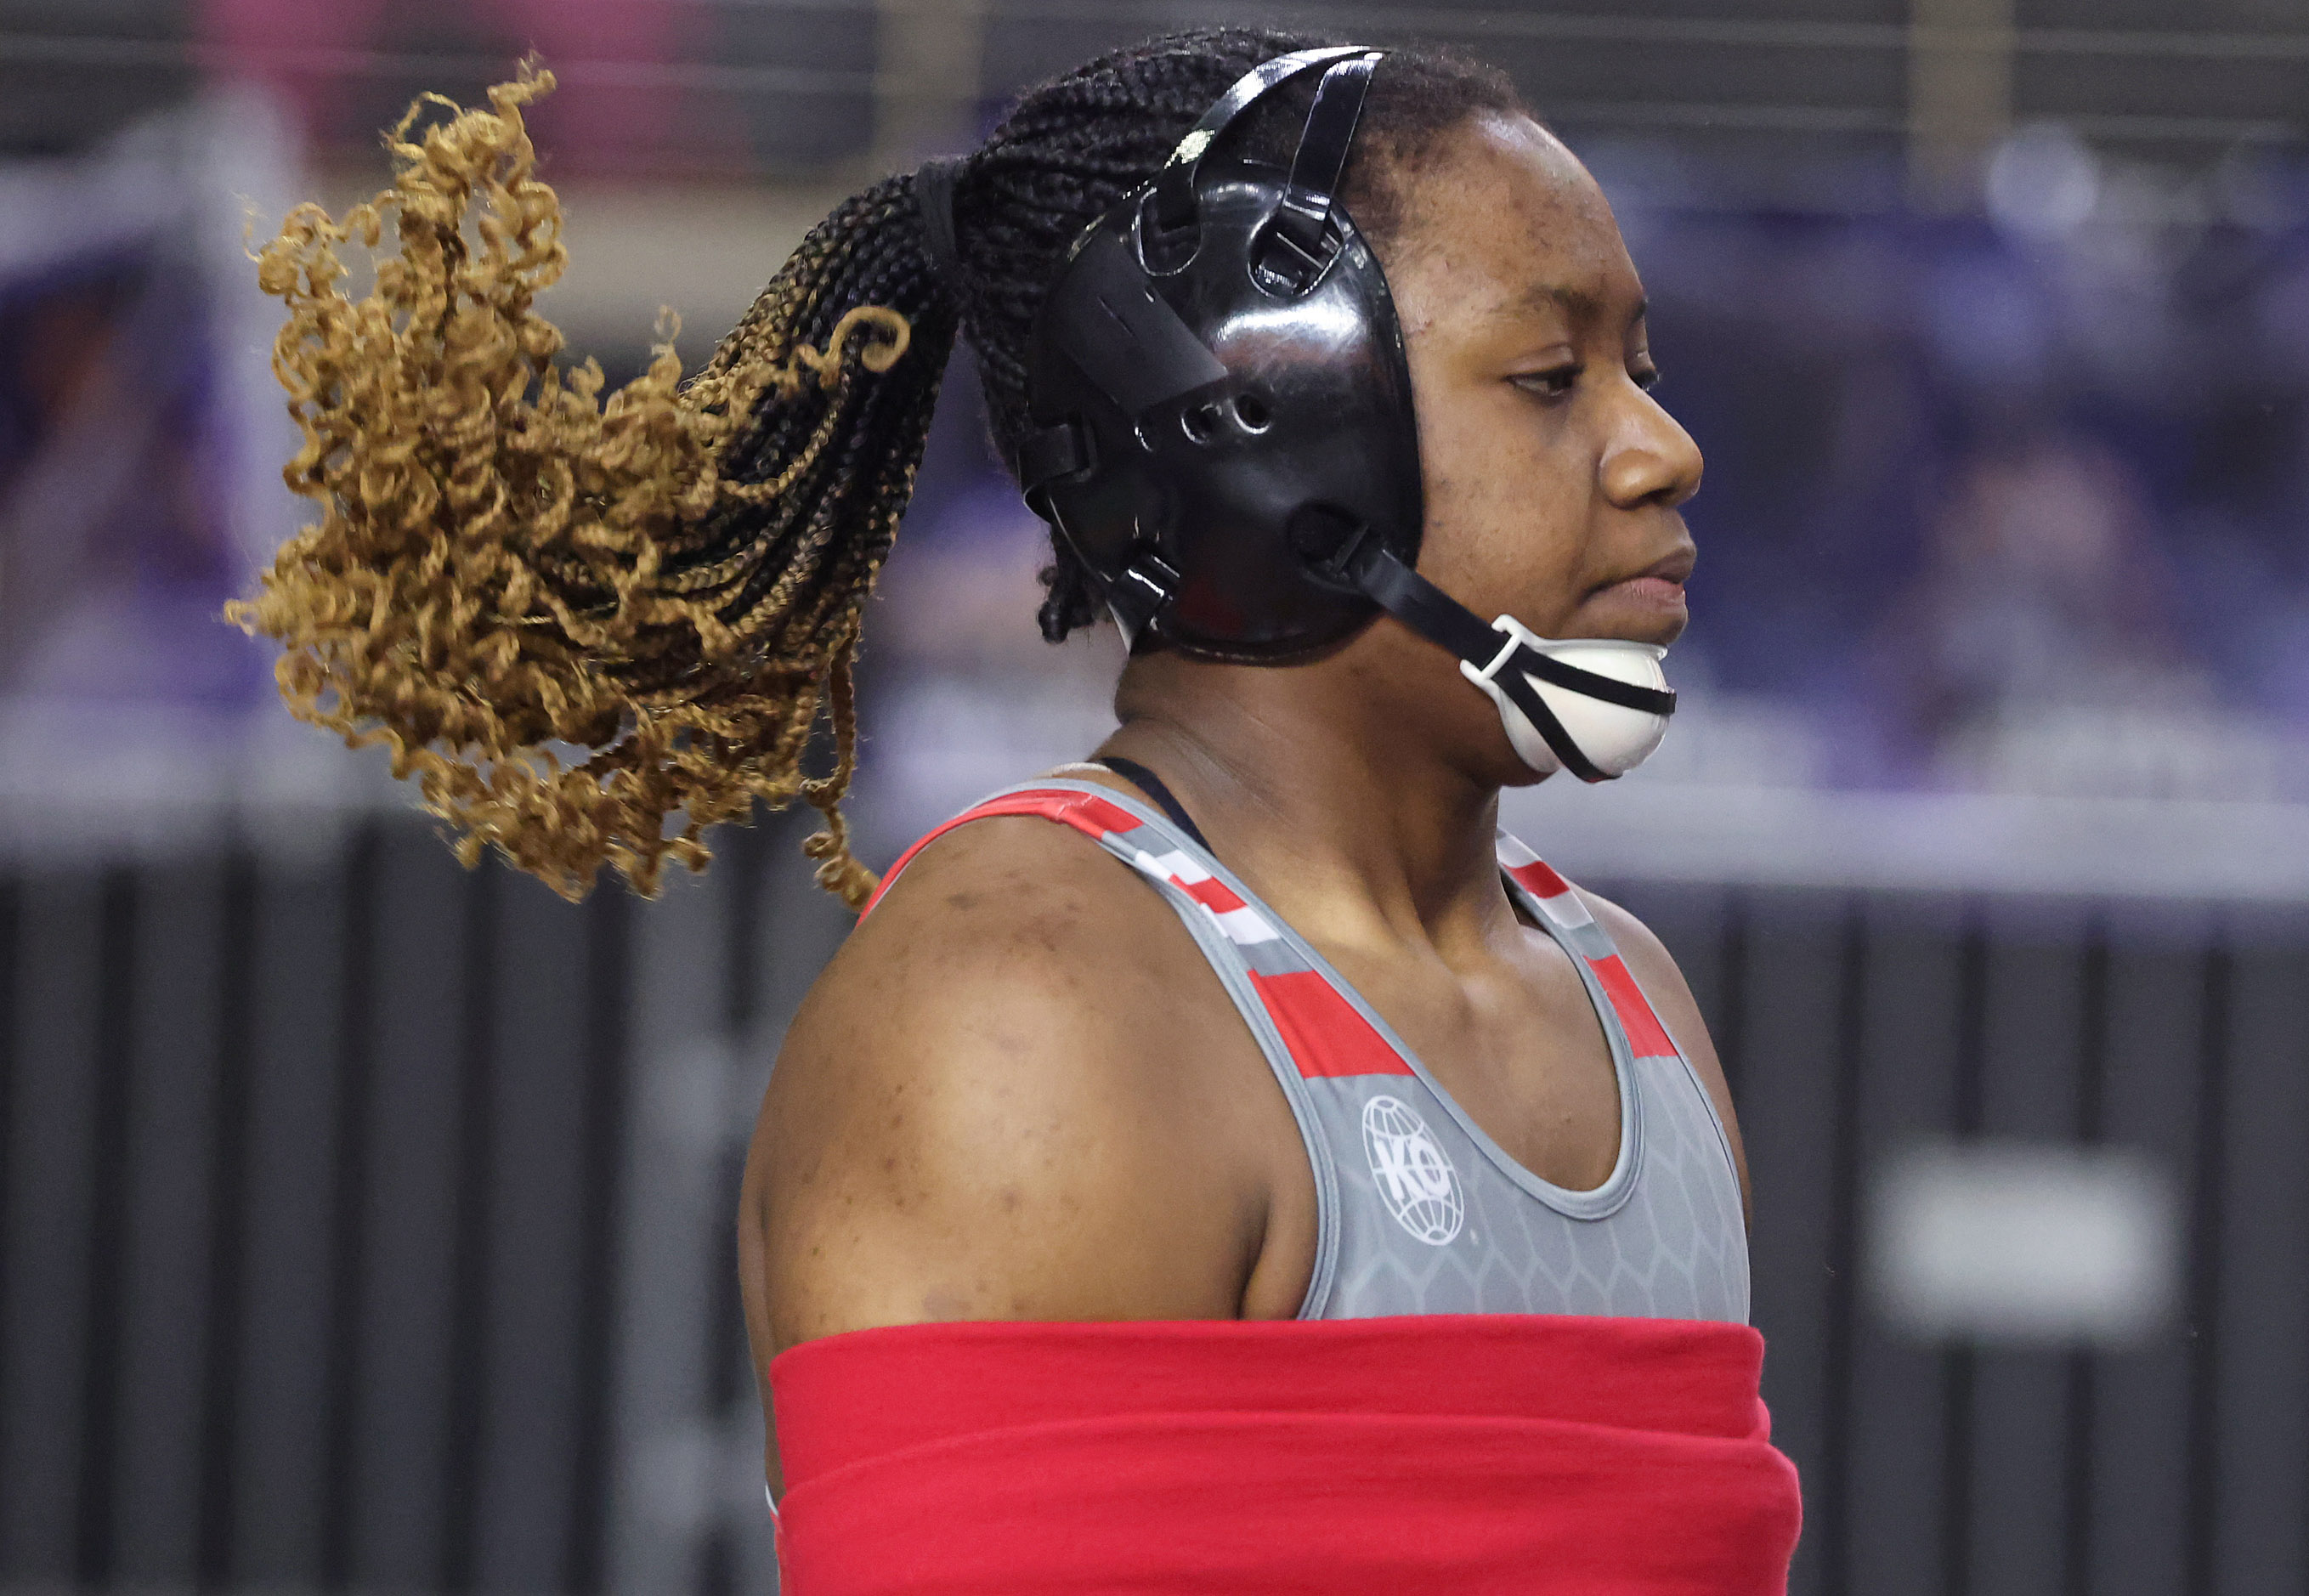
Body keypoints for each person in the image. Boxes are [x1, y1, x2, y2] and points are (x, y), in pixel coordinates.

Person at [235, 26, 1798, 1593]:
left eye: (1639, 373)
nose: (1662, 451)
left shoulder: (1632, 1004)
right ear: (1263, 430)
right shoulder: (1028, 1010)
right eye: (1548, 379)